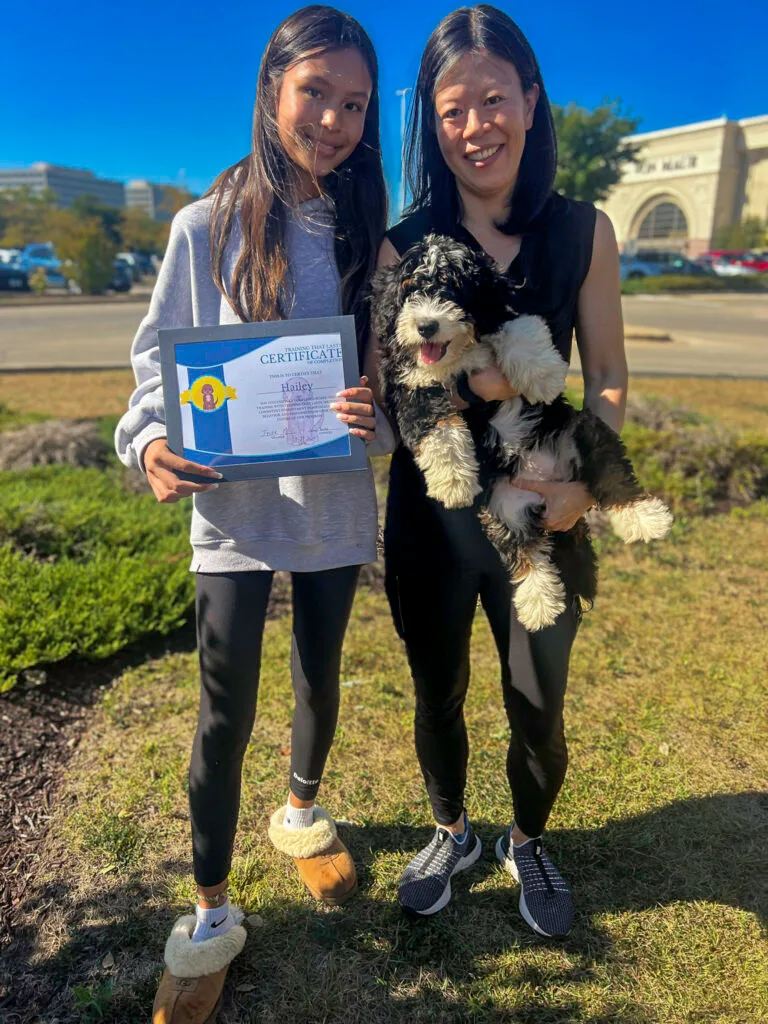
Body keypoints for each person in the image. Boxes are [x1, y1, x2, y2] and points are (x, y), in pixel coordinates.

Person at [114, 7, 392, 1021]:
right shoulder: (205, 225)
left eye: (354, 103)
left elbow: (393, 381)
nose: (332, 118)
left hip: (331, 502)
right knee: (222, 707)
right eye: (314, 91)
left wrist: (379, 412)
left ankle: (303, 813)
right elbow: (156, 366)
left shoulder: (372, 234)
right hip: (230, 510)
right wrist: (149, 443)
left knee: (321, 668)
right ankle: (207, 906)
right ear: (272, 90)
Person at [376, 4, 627, 937]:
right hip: (432, 521)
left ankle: (527, 839)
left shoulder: (583, 231)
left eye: (493, 99)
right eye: (452, 109)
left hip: (540, 513)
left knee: (537, 702)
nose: (476, 124)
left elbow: (606, 373)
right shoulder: (408, 242)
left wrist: (582, 487)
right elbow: (394, 382)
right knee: (435, 690)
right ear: (431, 126)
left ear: (529, 99)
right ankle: (453, 831)